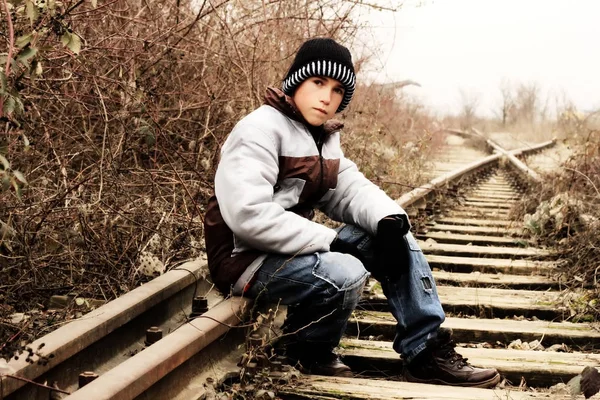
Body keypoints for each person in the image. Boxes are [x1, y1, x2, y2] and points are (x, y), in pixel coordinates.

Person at [203, 37, 500, 388]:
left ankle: (424, 351)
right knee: (344, 270)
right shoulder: (259, 130)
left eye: (338, 89)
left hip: (285, 251)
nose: (327, 97)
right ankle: (308, 349)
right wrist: (333, 242)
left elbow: (349, 186)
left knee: (394, 232)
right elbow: (248, 217)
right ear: (296, 81)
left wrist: (388, 221)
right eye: (318, 83)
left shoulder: (321, 136)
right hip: (245, 259)